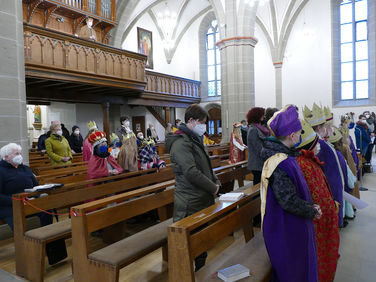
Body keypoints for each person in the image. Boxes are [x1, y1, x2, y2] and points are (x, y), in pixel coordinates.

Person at [260, 105, 320, 282]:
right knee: (294, 270)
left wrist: (309, 206)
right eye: (299, 132)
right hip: (285, 226)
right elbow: (287, 200)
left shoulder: (285, 157)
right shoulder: (279, 162)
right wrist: (312, 210)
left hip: (292, 220)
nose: (301, 136)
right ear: (291, 135)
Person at [166, 104, 221, 272]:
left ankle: (201, 272)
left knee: (200, 240)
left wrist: (215, 181)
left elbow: (205, 166)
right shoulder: (180, 142)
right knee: (191, 243)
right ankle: (189, 274)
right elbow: (190, 172)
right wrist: (213, 187)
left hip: (199, 197)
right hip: (190, 200)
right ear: (191, 121)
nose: (203, 127)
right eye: (202, 122)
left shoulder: (193, 138)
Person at [296, 120, 339, 282]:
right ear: (310, 146)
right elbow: (313, 195)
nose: (318, 146)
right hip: (317, 222)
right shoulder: (303, 164)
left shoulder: (310, 162)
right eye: (315, 143)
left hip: (324, 219)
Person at [304, 103, 345, 227]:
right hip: (328, 188)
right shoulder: (319, 145)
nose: (329, 130)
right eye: (327, 126)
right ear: (320, 128)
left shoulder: (319, 144)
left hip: (329, 186)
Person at [0, 143, 52, 230]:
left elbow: (36, 187)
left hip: (29, 202)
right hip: (10, 206)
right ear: (6, 157)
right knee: (21, 224)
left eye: (20, 153)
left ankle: (49, 241)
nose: (20, 156)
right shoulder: (1, 171)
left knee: (46, 211)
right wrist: (19, 200)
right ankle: (25, 242)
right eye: (16, 154)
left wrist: (34, 197)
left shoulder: (25, 169)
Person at [247, 107, 270, 185]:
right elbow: (258, 148)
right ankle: (256, 197)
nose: (264, 117)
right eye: (262, 115)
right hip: (257, 163)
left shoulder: (260, 128)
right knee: (258, 184)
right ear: (257, 116)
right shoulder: (253, 130)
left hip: (262, 161)